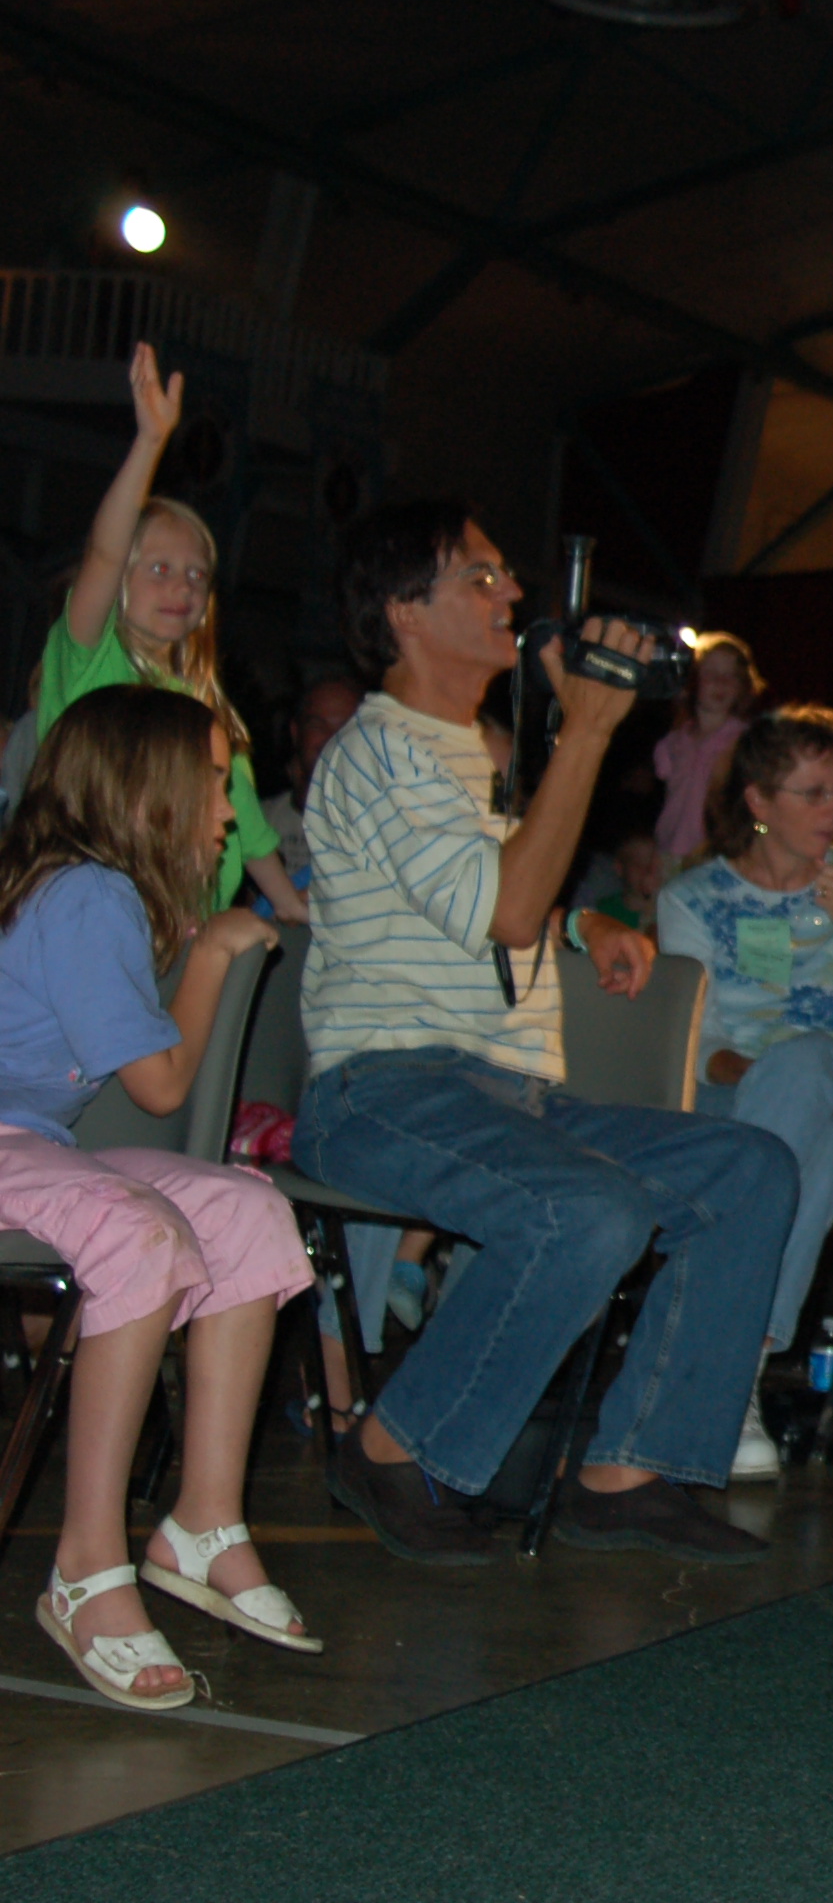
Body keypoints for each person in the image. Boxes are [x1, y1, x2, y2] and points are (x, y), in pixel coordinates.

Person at [297, 498, 798, 1567]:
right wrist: (589, 731)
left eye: (505, 574)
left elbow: (492, 895)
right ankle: (390, 1447)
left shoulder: (465, 753)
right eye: (479, 577)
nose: (513, 593)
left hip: (510, 1096)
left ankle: (628, 1470)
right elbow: (504, 910)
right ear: (405, 613)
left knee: (748, 1169)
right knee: (586, 1210)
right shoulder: (380, 749)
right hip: (385, 1091)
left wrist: (584, 921)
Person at [5, 689, 316, 1710]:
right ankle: (85, 1565)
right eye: (215, 782)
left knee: (248, 1209)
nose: (229, 811)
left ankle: (203, 1523)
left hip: (27, 1145)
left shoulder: (104, 893)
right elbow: (162, 1086)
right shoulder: (87, 894)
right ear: (146, 791)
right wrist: (217, 950)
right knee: (135, 1229)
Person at [656, 704, 833, 1482]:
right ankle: (740, 1380)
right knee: (815, 1141)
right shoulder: (692, 899)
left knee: (808, 1068)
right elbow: (697, 1043)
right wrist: (769, 1076)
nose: (832, 808)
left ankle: (715, 1357)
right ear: (758, 801)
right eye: (812, 793)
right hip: (741, 1099)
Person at [40, 343, 301, 921]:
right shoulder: (89, 662)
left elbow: (247, 824)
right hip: (105, 924)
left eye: (197, 575)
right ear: (122, 579)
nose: (182, 586)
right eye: (160, 569)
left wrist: (289, 905)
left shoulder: (202, 703)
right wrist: (150, 442)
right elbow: (104, 553)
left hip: (188, 930)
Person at [653, 631, 759, 864]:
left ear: (742, 686)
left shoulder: (745, 741)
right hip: (668, 850)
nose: (721, 683)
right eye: (711, 674)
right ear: (693, 680)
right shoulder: (673, 742)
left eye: (731, 676)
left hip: (715, 855)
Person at [262, 674, 365, 878]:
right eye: (318, 726)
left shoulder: (379, 825)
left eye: (344, 729)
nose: (330, 740)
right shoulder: (262, 819)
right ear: (296, 732)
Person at [583, 828, 666, 936]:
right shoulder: (604, 910)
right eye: (638, 865)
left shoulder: (665, 908)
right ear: (620, 868)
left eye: (651, 865)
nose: (647, 871)